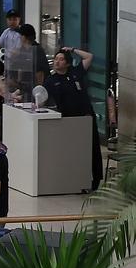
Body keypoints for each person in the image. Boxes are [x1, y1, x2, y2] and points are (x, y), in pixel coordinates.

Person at [43, 47, 103, 191]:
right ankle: (75, 180)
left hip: (86, 118)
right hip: (67, 122)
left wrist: (72, 49)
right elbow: (41, 97)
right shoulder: (51, 80)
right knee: (73, 151)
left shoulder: (76, 72)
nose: (57, 62)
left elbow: (89, 56)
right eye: (56, 59)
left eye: (61, 59)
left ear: (68, 63)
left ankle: (96, 180)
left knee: (92, 149)